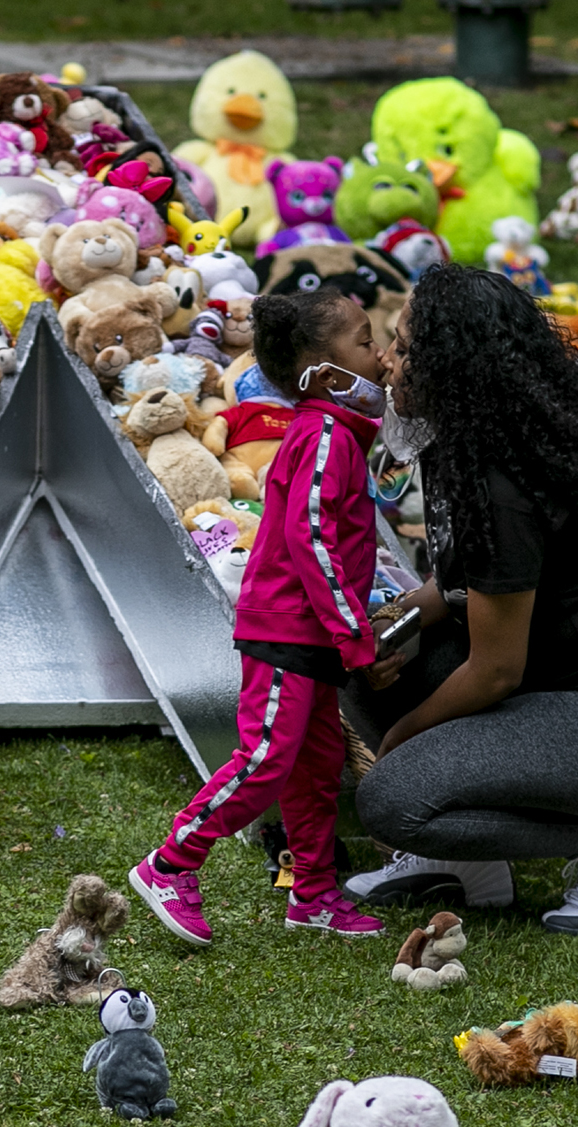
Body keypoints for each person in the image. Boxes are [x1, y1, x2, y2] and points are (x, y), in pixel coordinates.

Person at [346, 261, 578, 932]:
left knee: (392, 801)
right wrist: (389, 623)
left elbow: (495, 670)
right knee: (360, 660)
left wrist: (399, 740)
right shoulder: (464, 442)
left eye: (403, 345)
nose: (388, 360)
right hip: (560, 691)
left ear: (452, 368)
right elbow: (460, 587)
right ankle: (468, 865)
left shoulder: (503, 485)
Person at [128, 287, 389, 945]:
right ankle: (171, 864)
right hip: (288, 627)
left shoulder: (339, 435)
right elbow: (309, 533)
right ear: (328, 373)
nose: (381, 354)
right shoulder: (326, 434)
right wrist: (352, 629)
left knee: (316, 764)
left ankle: (314, 893)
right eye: (364, 341)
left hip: (310, 631)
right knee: (267, 756)